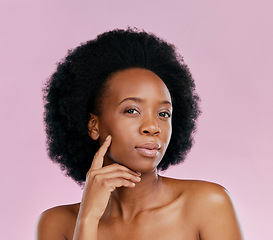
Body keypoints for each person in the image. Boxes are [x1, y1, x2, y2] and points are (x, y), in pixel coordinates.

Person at [36, 28, 244, 240]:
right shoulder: (57, 224)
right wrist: (88, 219)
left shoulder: (207, 205)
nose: (152, 127)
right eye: (132, 110)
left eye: (163, 113)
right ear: (93, 125)